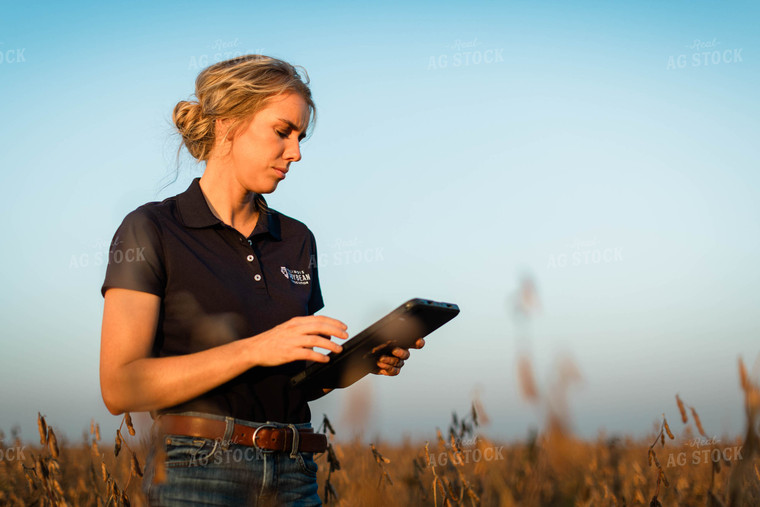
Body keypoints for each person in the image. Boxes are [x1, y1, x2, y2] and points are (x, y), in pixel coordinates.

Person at [99, 54, 424, 506]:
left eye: (301, 136)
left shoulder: (296, 238)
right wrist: (256, 349)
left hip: (295, 473)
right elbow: (120, 388)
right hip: (198, 473)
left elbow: (298, 381)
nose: (296, 152)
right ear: (228, 124)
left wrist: (358, 362)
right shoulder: (150, 229)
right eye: (282, 131)